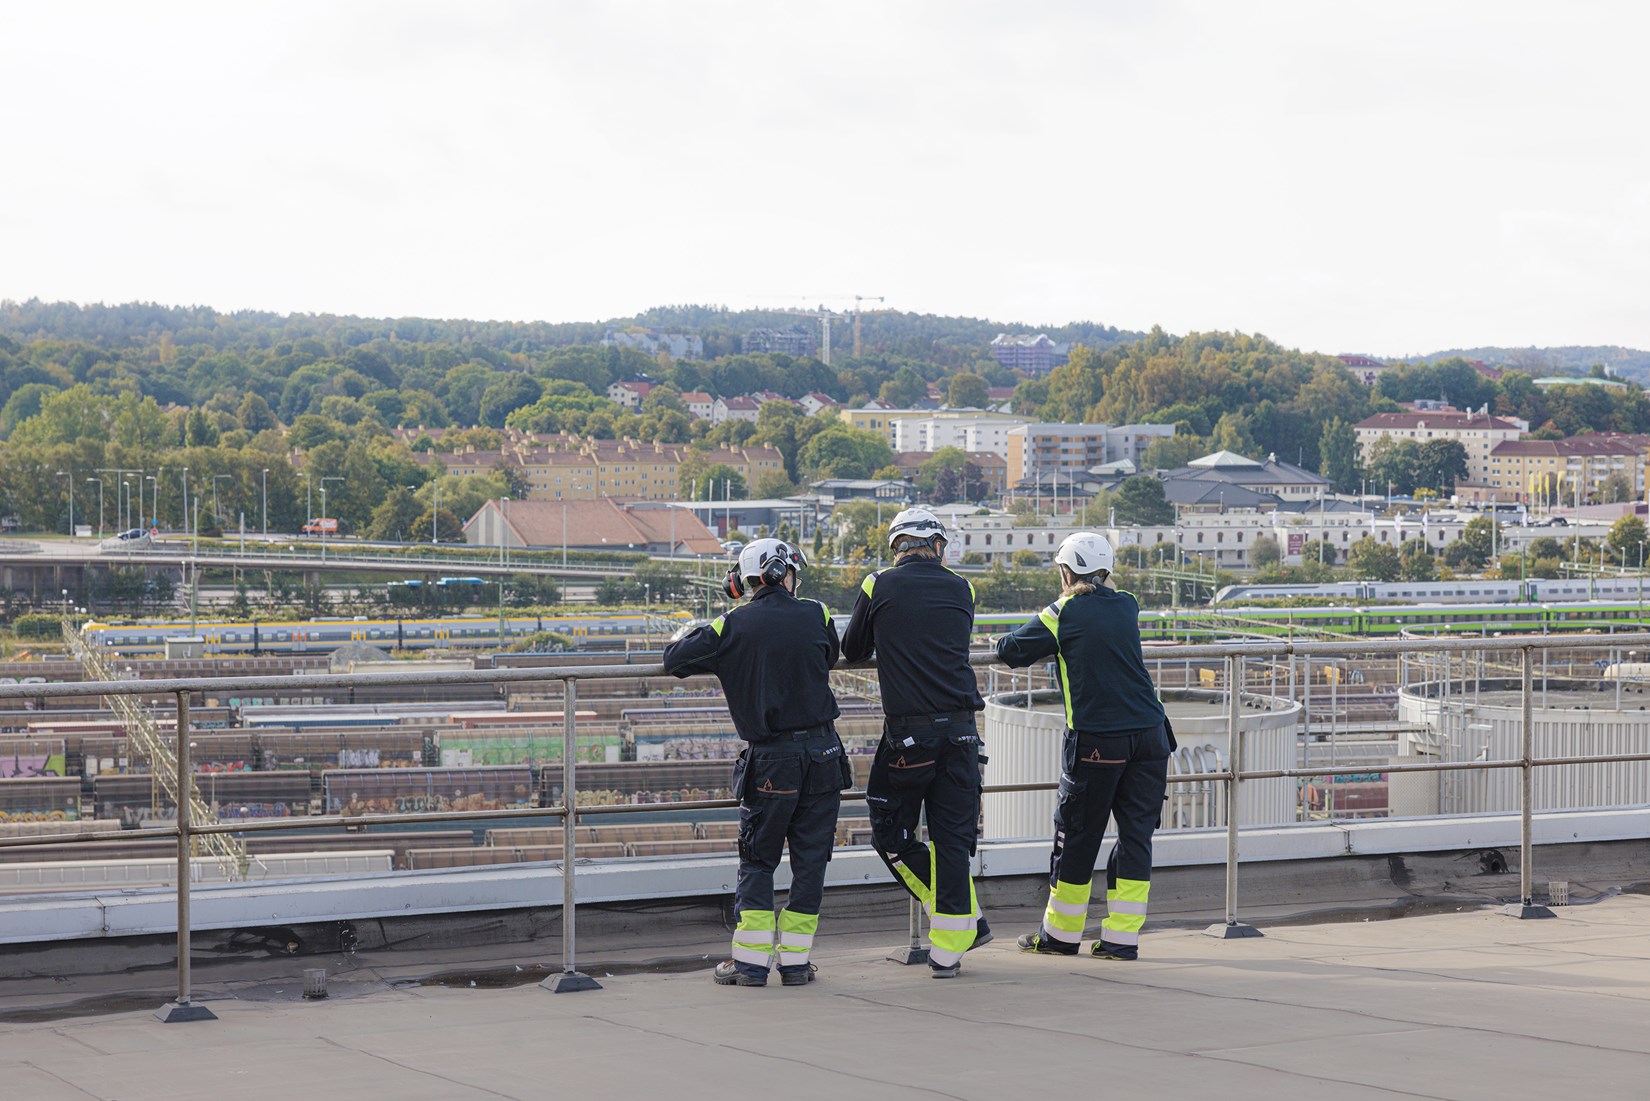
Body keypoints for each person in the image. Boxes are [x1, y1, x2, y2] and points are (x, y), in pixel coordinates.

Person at [663, 538, 849, 988]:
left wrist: (727, 634)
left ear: (744, 581)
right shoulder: (817, 613)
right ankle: (796, 964)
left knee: (758, 860)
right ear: (783, 571)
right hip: (824, 755)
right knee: (811, 863)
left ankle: (749, 965)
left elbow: (675, 659)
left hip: (772, 763)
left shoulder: (733, 626)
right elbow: (831, 654)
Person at [995, 532, 1173, 961]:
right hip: (1151, 737)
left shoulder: (1064, 611)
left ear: (1066, 571)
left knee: (1076, 837)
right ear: (1106, 571)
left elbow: (1010, 651)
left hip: (1098, 741)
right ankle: (1121, 940)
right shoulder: (1127, 603)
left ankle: (1059, 936)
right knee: (1136, 838)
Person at [843, 508, 990, 977]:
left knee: (890, 831)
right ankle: (951, 944)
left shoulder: (878, 585)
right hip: (964, 731)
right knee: (952, 839)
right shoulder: (963, 588)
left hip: (910, 734)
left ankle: (964, 917)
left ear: (897, 547)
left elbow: (852, 649)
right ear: (939, 546)